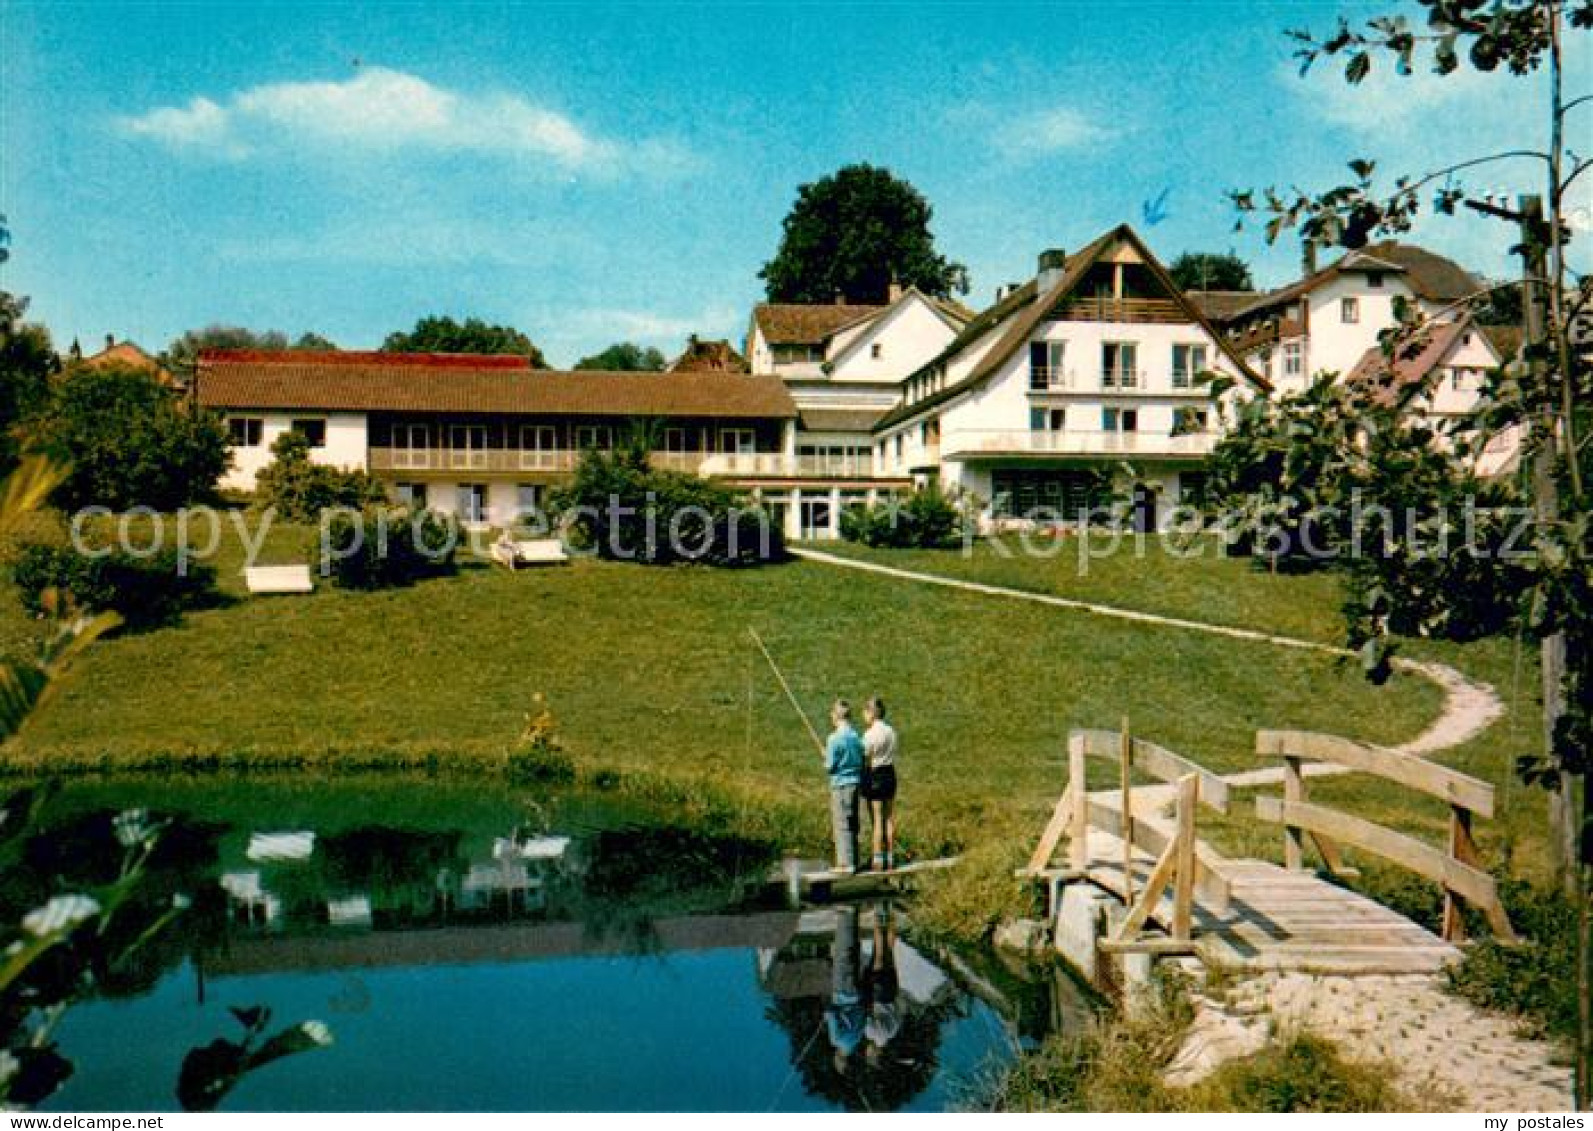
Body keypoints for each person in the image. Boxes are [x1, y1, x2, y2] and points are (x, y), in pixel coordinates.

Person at [824, 699, 864, 874]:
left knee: (842, 823)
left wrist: (825, 759)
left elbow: (830, 766)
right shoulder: (856, 736)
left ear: (836, 715)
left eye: (832, 713)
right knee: (853, 821)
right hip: (856, 783)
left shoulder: (834, 738)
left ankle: (845, 864)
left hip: (840, 785)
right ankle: (854, 859)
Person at [861, 696, 899, 872]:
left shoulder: (869, 734)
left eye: (865, 712)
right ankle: (890, 857)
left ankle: (877, 859)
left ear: (871, 713)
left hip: (875, 775)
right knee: (889, 817)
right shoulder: (891, 731)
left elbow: (865, 757)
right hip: (890, 774)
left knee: (877, 819)